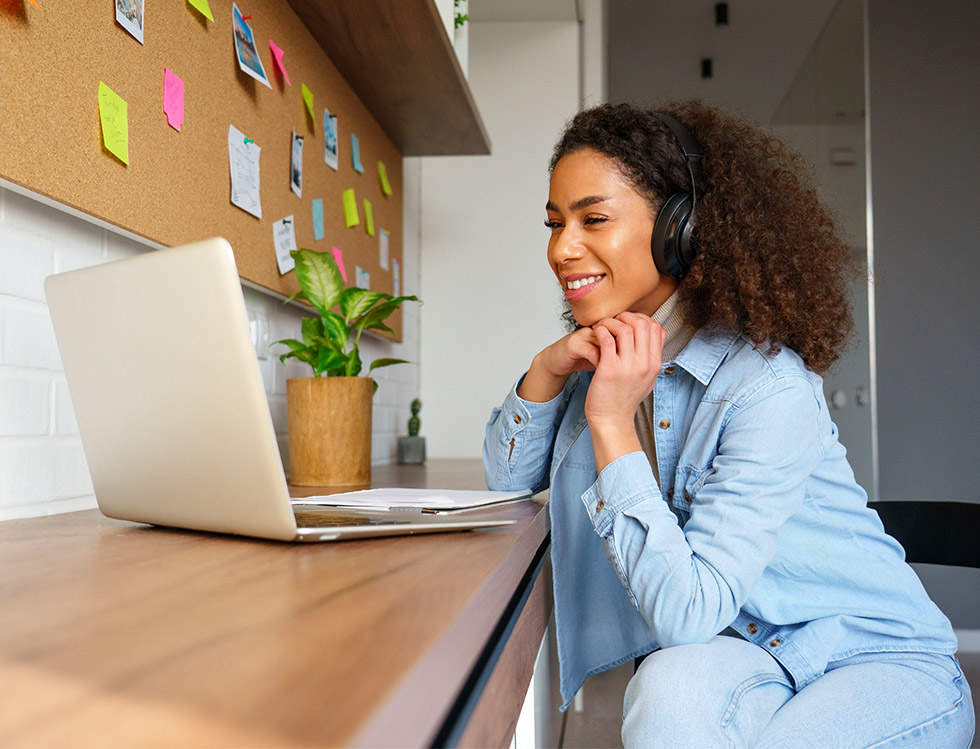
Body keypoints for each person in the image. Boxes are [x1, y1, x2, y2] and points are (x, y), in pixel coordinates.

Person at [482, 101, 975, 747]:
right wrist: (546, 369)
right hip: (744, 652)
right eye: (554, 223)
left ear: (679, 229)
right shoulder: (608, 356)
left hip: (873, 657)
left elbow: (687, 611)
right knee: (666, 692)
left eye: (592, 218)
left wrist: (610, 421)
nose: (561, 248)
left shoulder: (767, 387)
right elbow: (508, 476)